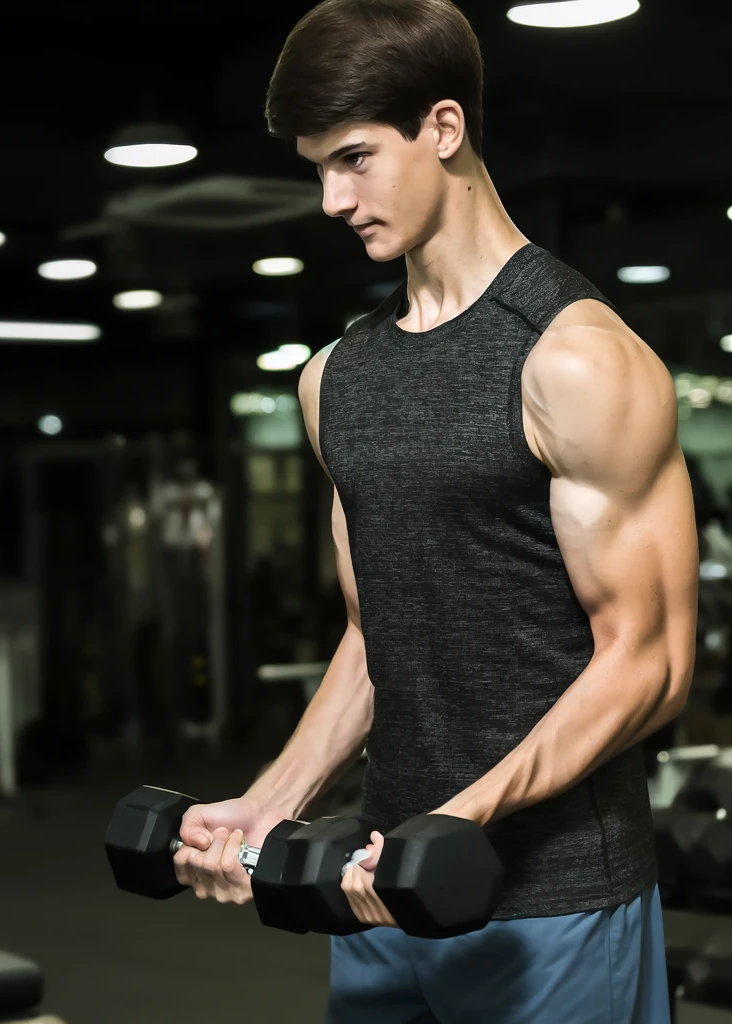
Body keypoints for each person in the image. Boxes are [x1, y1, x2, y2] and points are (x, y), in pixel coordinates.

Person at [171, 3, 699, 1022]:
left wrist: (461, 816)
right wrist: (273, 799)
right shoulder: (337, 380)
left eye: (356, 159)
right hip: (380, 897)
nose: (333, 198)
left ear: (443, 128)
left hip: (554, 908)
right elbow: (380, 634)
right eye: (318, 167)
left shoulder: (574, 358)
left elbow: (652, 659)